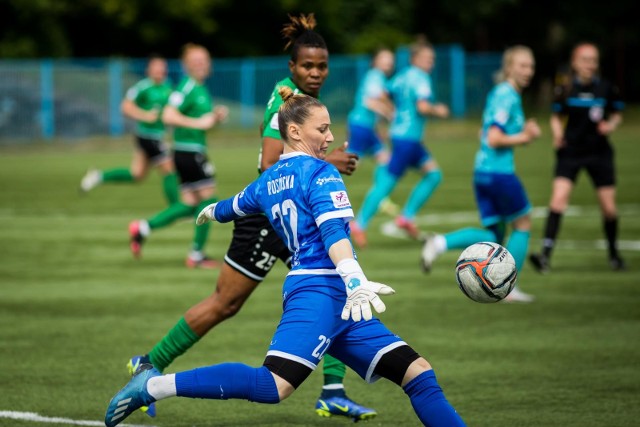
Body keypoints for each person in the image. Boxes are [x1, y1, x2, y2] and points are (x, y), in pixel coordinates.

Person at [105, 85, 467, 427]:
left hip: (334, 297)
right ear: (294, 132)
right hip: (321, 291)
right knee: (272, 385)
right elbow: (333, 234)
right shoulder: (322, 172)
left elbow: (236, 205)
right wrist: (354, 277)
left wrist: (211, 211)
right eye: (322, 129)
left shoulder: (269, 179)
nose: (329, 137)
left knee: (418, 373)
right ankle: (153, 387)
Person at [125, 14, 373, 421]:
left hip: (290, 217)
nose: (315, 72)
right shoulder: (285, 103)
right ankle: (147, 364)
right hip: (270, 218)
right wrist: (330, 158)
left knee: (335, 287)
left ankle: (332, 390)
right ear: (292, 66)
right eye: (307, 65)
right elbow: (272, 166)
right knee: (227, 302)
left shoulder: (302, 104)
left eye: (322, 65)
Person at [420, 45, 541, 303]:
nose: (528, 71)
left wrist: (520, 134)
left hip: (482, 172)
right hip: (499, 173)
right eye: (522, 65)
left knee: (495, 236)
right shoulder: (507, 95)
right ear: (509, 67)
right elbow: (494, 137)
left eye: (531, 66)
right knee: (523, 223)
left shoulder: (499, 93)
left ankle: (439, 243)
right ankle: (509, 288)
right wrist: (526, 136)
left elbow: (484, 133)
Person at [128, 43, 229, 269]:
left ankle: (143, 228)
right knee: (209, 200)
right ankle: (196, 255)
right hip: (188, 152)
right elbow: (168, 115)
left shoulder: (199, 88)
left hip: (190, 150)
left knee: (190, 202)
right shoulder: (188, 86)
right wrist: (198, 122)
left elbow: (199, 123)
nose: (201, 64)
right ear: (186, 65)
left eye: (204, 59)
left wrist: (214, 118)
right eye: (196, 60)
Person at [529, 42, 625, 272]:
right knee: (558, 200)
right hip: (570, 152)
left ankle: (613, 255)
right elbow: (555, 116)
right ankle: (545, 257)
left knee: (609, 209)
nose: (590, 65)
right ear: (574, 62)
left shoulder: (605, 88)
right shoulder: (565, 89)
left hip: (599, 153)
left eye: (593, 60)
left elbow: (617, 113)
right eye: (585, 59)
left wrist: (610, 125)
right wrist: (558, 133)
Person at [350, 41, 450, 248]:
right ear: (415, 58)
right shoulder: (421, 78)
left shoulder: (402, 76)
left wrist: (393, 114)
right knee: (387, 182)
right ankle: (360, 223)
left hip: (403, 137)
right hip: (407, 139)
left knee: (433, 174)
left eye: (432, 59)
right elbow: (422, 107)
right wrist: (438, 110)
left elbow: (387, 93)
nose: (431, 62)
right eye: (427, 58)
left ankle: (405, 217)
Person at [80, 56, 178, 205]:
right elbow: (125, 107)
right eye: (156, 67)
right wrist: (144, 115)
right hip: (148, 135)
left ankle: (98, 176)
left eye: (162, 67)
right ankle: (176, 209)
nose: (160, 70)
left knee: (136, 174)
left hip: (158, 135)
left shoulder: (168, 87)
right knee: (169, 169)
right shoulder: (142, 87)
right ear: (149, 70)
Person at [346, 48, 398, 216]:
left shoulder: (379, 77)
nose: (389, 62)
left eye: (390, 59)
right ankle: (319, 183)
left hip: (367, 127)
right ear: (376, 61)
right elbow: (369, 102)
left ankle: (381, 197)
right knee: (350, 163)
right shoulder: (375, 75)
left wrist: (380, 126)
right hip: (360, 126)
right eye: (384, 58)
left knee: (385, 159)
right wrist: (391, 114)